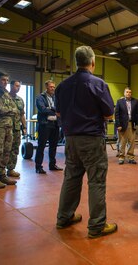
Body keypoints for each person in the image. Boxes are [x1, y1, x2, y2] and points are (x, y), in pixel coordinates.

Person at [55, 45, 117, 238]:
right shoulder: (98, 84)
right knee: (96, 181)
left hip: (71, 139)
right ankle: (97, 226)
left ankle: (64, 217)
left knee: (71, 178)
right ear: (93, 62)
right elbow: (108, 113)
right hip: (91, 139)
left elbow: (58, 113)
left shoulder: (62, 86)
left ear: (76, 62)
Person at [35, 80, 62, 174]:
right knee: (41, 146)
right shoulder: (40, 97)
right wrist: (54, 109)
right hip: (45, 124)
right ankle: (38, 167)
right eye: (51, 87)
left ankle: (52, 165)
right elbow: (42, 110)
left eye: (54, 87)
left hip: (55, 124)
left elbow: (60, 108)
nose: (53, 88)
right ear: (46, 87)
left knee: (53, 146)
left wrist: (50, 109)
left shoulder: (56, 97)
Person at [6, 80, 27, 178]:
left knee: (15, 149)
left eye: (19, 86)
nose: (18, 88)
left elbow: (22, 115)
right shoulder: (5, 97)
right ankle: (0, 170)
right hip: (6, 128)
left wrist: (25, 127)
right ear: (10, 85)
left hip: (17, 128)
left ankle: (10, 169)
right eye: (16, 86)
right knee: (5, 149)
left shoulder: (20, 100)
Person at [115, 87, 138, 165]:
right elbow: (117, 114)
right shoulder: (119, 102)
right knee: (122, 142)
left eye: (130, 92)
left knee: (132, 142)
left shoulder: (135, 102)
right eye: (127, 92)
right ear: (124, 93)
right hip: (122, 125)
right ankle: (121, 157)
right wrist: (118, 125)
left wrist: (137, 124)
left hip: (132, 124)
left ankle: (130, 157)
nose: (128, 93)